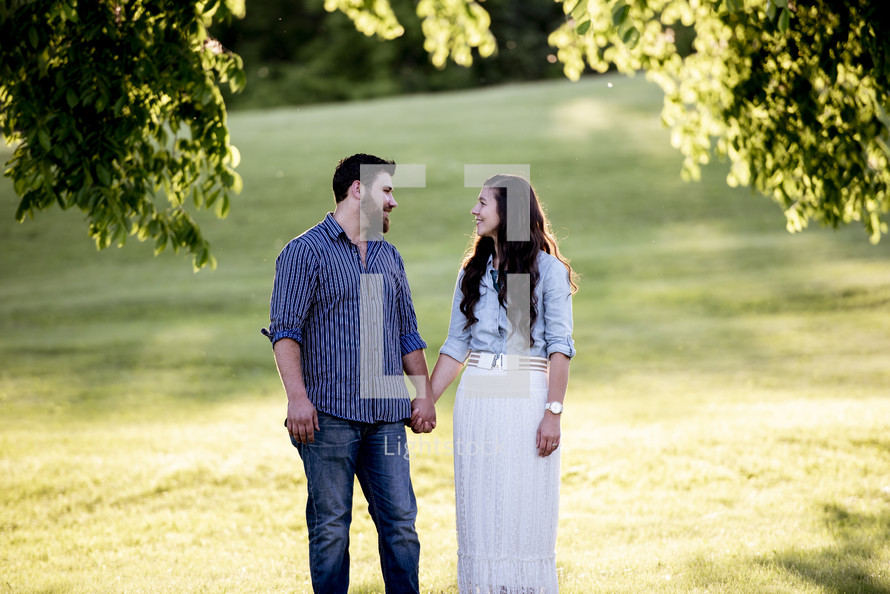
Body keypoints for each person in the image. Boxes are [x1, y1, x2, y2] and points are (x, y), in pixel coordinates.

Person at [262, 153, 436, 594]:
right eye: (387, 190)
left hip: (386, 419)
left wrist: (424, 395)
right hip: (328, 418)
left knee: (401, 525)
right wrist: (297, 399)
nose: (393, 202)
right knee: (331, 531)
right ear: (358, 190)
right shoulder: (304, 252)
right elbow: (285, 332)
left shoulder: (388, 256)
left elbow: (407, 335)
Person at [429, 174, 577, 593]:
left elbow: (560, 348)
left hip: (525, 397)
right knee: (480, 509)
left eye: (482, 203)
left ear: (507, 213)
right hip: (476, 398)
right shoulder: (472, 272)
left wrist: (553, 413)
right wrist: (425, 401)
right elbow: (456, 344)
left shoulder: (548, 271)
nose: (474, 211)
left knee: (523, 506)